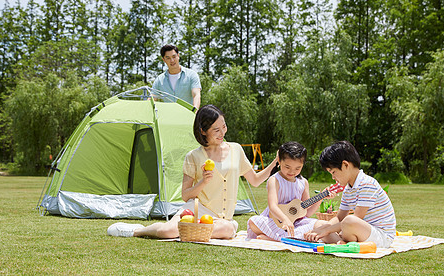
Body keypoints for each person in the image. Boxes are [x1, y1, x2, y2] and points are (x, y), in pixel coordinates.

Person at [107, 104, 278, 239]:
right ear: (203, 131)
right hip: (197, 209)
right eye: (216, 130)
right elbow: (186, 195)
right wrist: (203, 181)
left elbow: (255, 181)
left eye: (224, 127)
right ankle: (137, 231)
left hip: (222, 219)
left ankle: (193, 232)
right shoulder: (193, 156)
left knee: (227, 228)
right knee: (168, 232)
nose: (222, 133)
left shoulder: (236, 150)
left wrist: (276, 162)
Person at [304, 141, 396, 248]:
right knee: (321, 224)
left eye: (333, 172)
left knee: (349, 221)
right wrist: (322, 228)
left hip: (381, 237)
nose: (333, 178)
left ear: (345, 165)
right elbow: (339, 218)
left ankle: (345, 242)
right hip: (360, 231)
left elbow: (357, 218)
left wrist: (327, 230)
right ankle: (345, 244)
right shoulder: (348, 189)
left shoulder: (367, 183)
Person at [247, 141, 336, 241]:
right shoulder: (275, 180)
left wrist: (321, 197)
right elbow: (272, 206)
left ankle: (277, 238)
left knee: (322, 224)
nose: (292, 172)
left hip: (296, 224)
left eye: (298, 168)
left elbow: (306, 213)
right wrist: (285, 220)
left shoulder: (303, 182)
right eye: (287, 167)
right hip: (273, 221)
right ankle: (290, 237)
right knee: (253, 221)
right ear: (279, 161)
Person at [152, 44, 201, 109]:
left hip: (188, 117)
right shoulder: (159, 80)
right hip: (168, 118)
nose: (172, 60)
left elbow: (196, 95)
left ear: (178, 56)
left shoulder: (191, 75)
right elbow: (152, 98)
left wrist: (195, 110)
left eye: (174, 56)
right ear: (163, 60)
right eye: (168, 58)